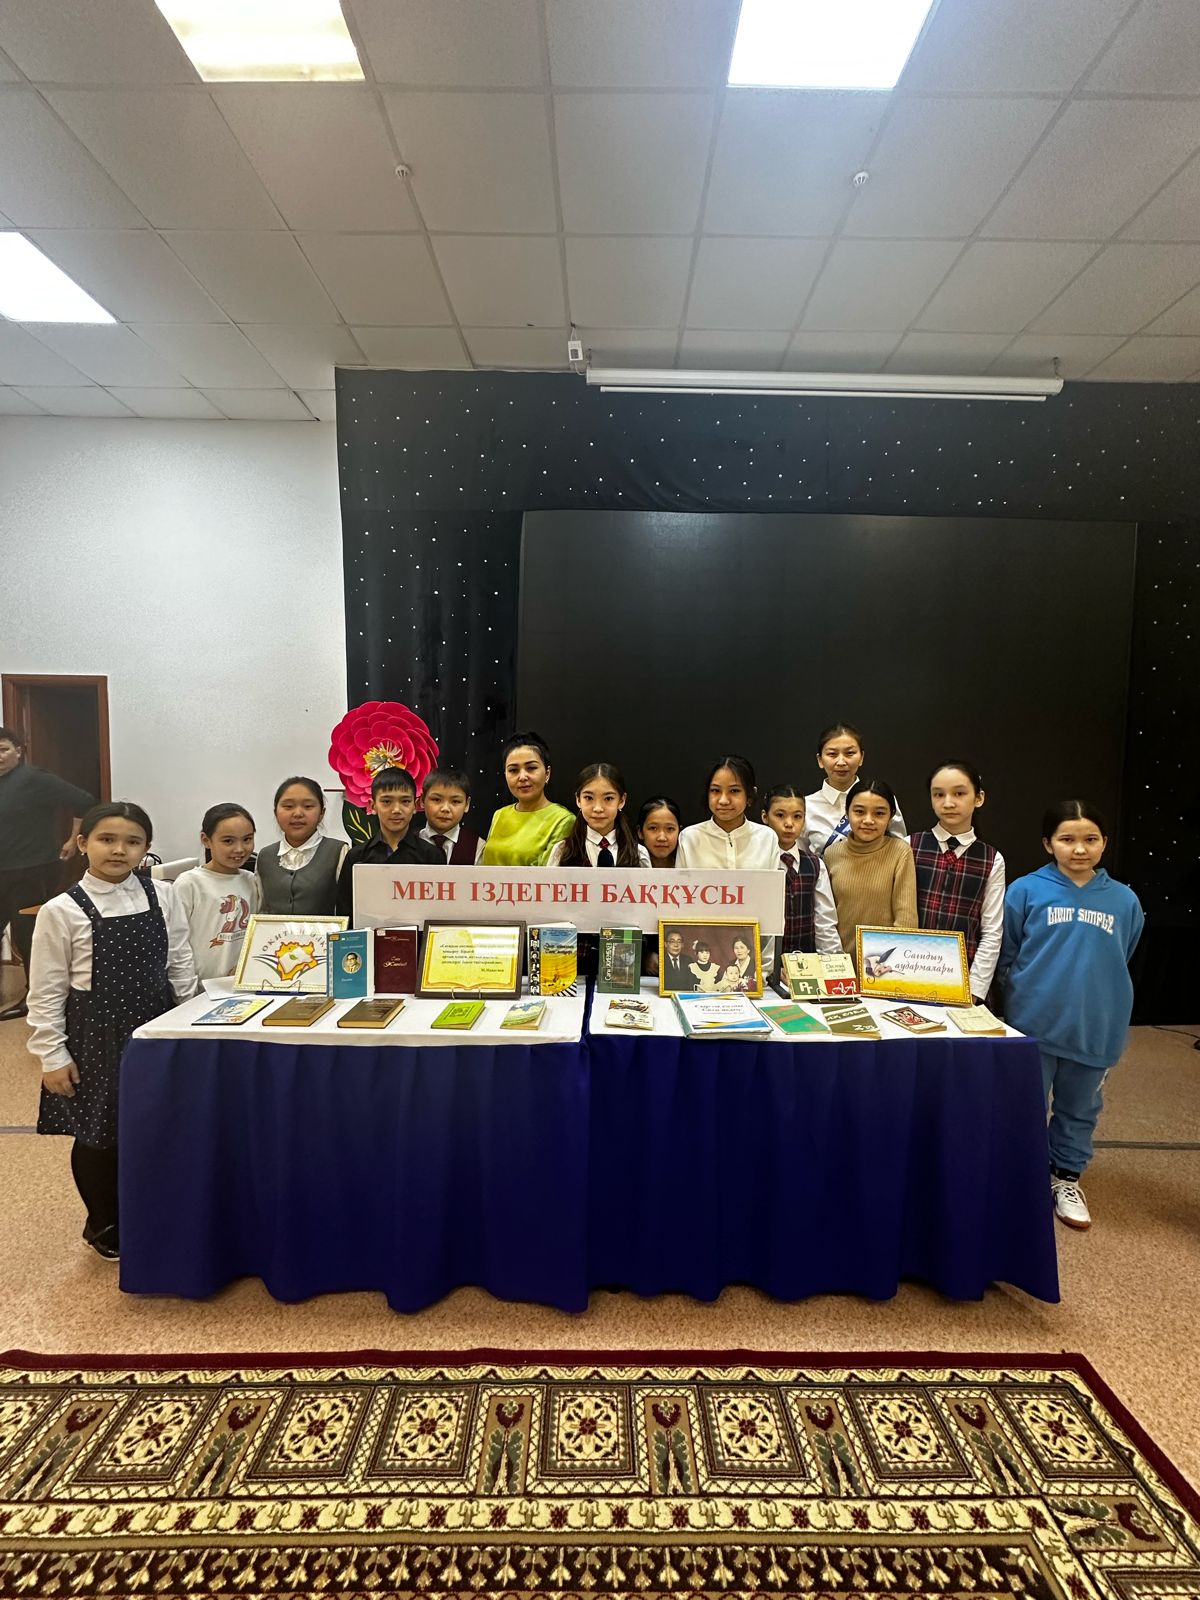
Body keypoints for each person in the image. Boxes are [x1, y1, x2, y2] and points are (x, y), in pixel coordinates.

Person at [27, 801, 199, 1261]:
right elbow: (46, 991)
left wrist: (191, 1019)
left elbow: (180, 961)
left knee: (157, 1125)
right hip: (96, 1034)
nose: (119, 850)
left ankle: (149, 1209)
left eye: (132, 842)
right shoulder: (62, 910)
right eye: (107, 839)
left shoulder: (162, 895)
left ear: (146, 848)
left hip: (157, 1025)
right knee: (99, 1132)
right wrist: (52, 1055)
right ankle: (103, 1221)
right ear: (83, 843)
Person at [998, 801, 1145, 1232]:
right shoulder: (1025, 891)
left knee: (1080, 1109)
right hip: (1034, 1024)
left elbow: (1124, 954)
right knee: (1024, 1106)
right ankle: (1022, 1177)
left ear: (1104, 843)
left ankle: (1065, 1177)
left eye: (1090, 839)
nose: (1079, 849)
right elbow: (1008, 954)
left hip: (1095, 1027)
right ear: (1048, 844)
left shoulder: (1124, 899)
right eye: (1067, 839)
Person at [0, 726, 94, 1022]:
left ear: (18, 751)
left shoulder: (35, 779)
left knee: (28, 936)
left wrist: (73, 838)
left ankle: (35, 999)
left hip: (32, 870)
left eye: (3, 749)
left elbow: (84, 800)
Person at [910, 762, 1005, 1005]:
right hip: (908, 973)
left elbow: (992, 931)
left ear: (979, 798)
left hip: (963, 980)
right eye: (938, 794)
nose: (948, 803)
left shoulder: (992, 859)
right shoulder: (909, 845)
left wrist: (975, 989)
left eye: (959, 793)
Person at [823, 778, 918, 957]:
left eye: (879, 813)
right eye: (859, 812)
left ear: (891, 817)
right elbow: (825, 918)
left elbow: (906, 920)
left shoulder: (900, 852)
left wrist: (888, 964)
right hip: (838, 962)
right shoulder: (831, 854)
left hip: (883, 964)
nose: (868, 820)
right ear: (847, 812)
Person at [335, 767, 443, 923]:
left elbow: (437, 915)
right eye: (386, 801)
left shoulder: (431, 855)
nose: (396, 810)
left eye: (405, 801)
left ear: (415, 805)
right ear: (372, 806)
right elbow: (345, 915)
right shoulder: (357, 857)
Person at [173, 804, 260, 981]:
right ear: (206, 840)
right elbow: (176, 943)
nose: (239, 849)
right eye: (228, 841)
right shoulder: (189, 883)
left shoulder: (252, 881)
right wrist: (185, 989)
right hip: (202, 988)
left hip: (243, 985)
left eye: (247, 839)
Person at [761, 784, 841, 957]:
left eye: (797, 816)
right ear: (765, 817)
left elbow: (824, 922)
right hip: (765, 963)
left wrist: (832, 961)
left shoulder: (815, 865)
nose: (789, 824)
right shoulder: (757, 863)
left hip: (806, 963)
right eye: (780, 815)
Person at [803, 722, 907, 856]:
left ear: (861, 757)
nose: (841, 762)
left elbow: (900, 849)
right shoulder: (806, 806)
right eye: (832, 754)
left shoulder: (883, 799)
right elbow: (800, 860)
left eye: (850, 753)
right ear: (820, 760)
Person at [256, 776, 347, 915]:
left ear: (322, 813)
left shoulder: (339, 852)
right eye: (288, 806)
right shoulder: (265, 856)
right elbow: (260, 911)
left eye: (308, 806)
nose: (298, 814)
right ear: (276, 813)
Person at [480, 732, 574, 866]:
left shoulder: (562, 820)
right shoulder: (499, 815)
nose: (522, 777)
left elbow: (549, 875)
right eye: (513, 770)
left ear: (547, 773)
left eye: (531, 768)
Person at [675, 755, 777, 870]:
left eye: (734, 791)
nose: (723, 801)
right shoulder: (689, 838)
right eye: (715, 790)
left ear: (750, 795)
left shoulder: (767, 838)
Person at [548, 763, 649, 867]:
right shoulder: (562, 851)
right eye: (589, 798)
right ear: (578, 799)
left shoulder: (638, 854)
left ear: (622, 800)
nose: (598, 808)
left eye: (608, 798)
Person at [419, 768, 484, 864]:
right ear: (422, 800)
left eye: (455, 801)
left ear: (467, 804)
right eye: (436, 800)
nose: (445, 809)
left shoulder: (478, 846)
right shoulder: (407, 843)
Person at [637, 796, 681, 868]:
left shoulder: (688, 863)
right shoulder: (627, 866)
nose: (661, 838)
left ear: (679, 832)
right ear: (640, 832)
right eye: (653, 828)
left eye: (670, 829)